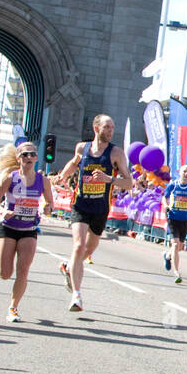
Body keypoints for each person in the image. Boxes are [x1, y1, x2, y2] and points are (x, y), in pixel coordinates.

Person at [53, 114, 131, 311]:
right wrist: (62, 175)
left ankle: (68, 267)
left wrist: (109, 179)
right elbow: (74, 162)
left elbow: (129, 182)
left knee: (88, 250)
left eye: (112, 128)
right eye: (107, 127)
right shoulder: (82, 148)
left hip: (100, 208)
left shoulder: (116, 153)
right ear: (96, 128)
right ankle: (76, 296)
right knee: (78, 246)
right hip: (80, 204)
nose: (110, 131)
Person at [0, 142, 54, 322]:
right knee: (4, 274)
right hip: (8, 228)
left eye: (32, 154)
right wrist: (2, 211)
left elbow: (50, 203)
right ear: (19, 159)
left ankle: (13, 307)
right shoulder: (10, 177)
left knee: (23, 271)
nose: (29, 157)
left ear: (37, 158)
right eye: (25, 155)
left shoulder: (43, 180)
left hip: (29, 229)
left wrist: (48, 209)